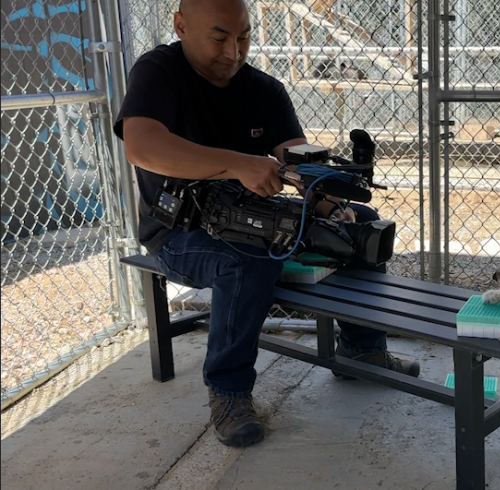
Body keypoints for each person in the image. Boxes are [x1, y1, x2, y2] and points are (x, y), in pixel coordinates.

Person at [112, 0, 420, 448]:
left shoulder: (264, 90)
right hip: (180, 231)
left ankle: (362, 346)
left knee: (362, 226)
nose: (233, 52)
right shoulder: (158, 71)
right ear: (180, 25)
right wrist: (239, 165)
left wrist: (330, 203)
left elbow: (297, 158)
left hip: (256, 220)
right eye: (219, 37)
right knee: (246, 258)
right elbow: (143, 147)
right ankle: (229, 392)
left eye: (244, 37)